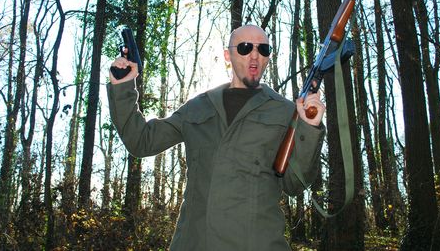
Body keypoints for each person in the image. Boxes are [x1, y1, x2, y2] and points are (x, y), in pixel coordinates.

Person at [107, 24, 326, 251]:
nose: (254, 55)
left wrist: (309, 127)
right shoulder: (198, 106)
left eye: (263, 49)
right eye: (244, 47)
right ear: (227, 55)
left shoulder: (285, 112)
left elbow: (295, 184)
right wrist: (123, 86)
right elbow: (141, 141)